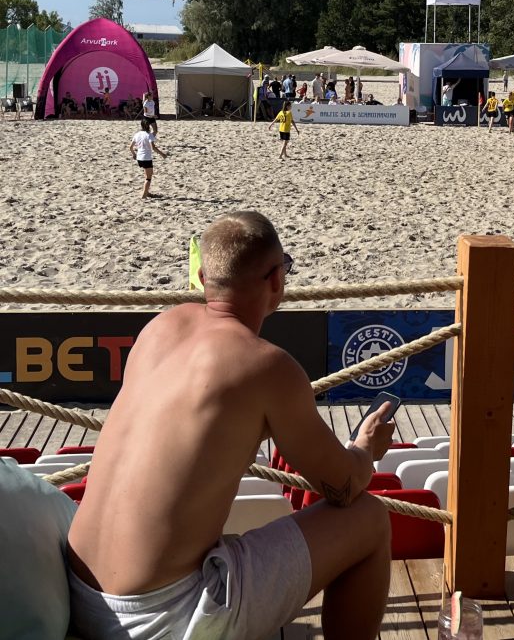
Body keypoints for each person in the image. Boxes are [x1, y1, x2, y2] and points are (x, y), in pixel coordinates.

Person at [67, 211, 395, 640]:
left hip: (79, 591)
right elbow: (344, 487)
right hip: (163, 616)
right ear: (276, 280)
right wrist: (366, 449)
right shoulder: (266, 365)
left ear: (202, 276)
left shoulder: (159, 328)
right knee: (370, 518)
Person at [129, 119, 166, 199]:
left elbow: (131, 147)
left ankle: (147, 192)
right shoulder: (149, 135)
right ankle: (144, 195)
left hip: (139, 158)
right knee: (148, 178)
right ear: (148, 126)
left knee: (146, 175)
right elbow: (153, 147)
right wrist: (162, 154)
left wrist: (134, 154)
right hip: (146, 158)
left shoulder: (137, 134)